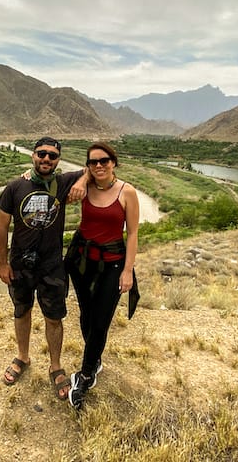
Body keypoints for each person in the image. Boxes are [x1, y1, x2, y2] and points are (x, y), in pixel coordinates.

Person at [0, 136, 87, 401]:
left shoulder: (64, 182)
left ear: (58, 160)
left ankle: (55, 366)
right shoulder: (15, 187)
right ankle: (22, 357)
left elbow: (98, 167)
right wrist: (3, 263)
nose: (46, 159)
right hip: (20, 265)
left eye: (52, 156)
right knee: (21, 311)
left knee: (54, 317)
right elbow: (1, 228)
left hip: (52, 265)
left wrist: (80, 181)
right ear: (33, 156)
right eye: (41, 154)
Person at [65, 141, 140, 411]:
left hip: (112, 264)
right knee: (85, 313)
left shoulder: (127, 192)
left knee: (101, 320)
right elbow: (51, 184)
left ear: (114, 162)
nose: (99, 165)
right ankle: (94, 358)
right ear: (87, 166)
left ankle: (84, 376)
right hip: (82, 261)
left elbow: (132, 233)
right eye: (93, 162)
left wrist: (128, 270)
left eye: (104, 161)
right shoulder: (84, 187)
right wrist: (83, 177)